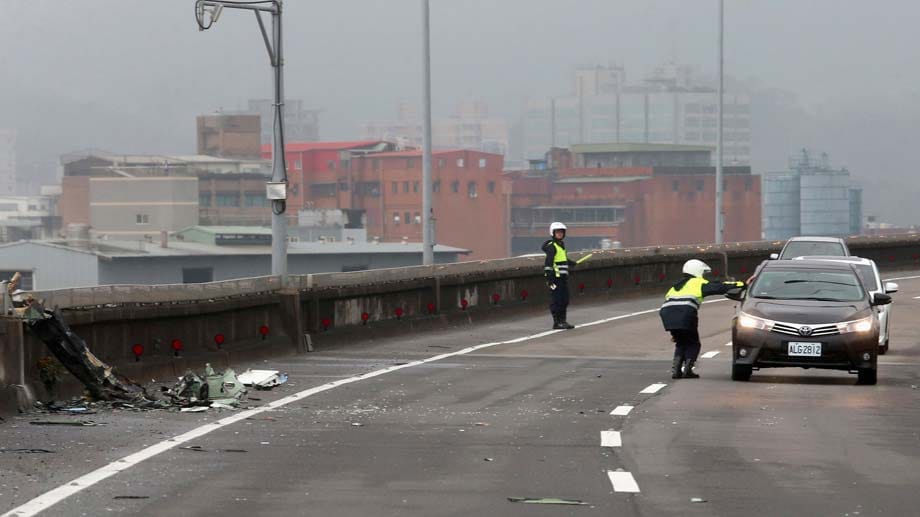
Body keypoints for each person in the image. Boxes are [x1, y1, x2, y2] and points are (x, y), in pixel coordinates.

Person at [660, 259, 745, 379]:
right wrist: (742, 284)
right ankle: (688, 370)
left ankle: (676, 369)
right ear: (698, 271)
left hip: (667, 314)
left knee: (681, 342)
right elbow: (720, 287)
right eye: (703, 273)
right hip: (685, 312)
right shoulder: (698, 283)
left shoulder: (675, 286)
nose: (704, 277)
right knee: (693, 343)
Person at [542, 222, 577, 330]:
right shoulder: (552, 247)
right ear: (553, 233)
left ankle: (563, 321)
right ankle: (557, 322)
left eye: (561, 232)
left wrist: (570, 262)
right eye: (557, 232)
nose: (560, 234)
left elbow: (561, 259)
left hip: (563, 278)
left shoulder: (561, 246)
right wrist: (549, 278)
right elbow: (548, 263)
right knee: (557, 300)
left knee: (565, 299)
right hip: (555, 278)